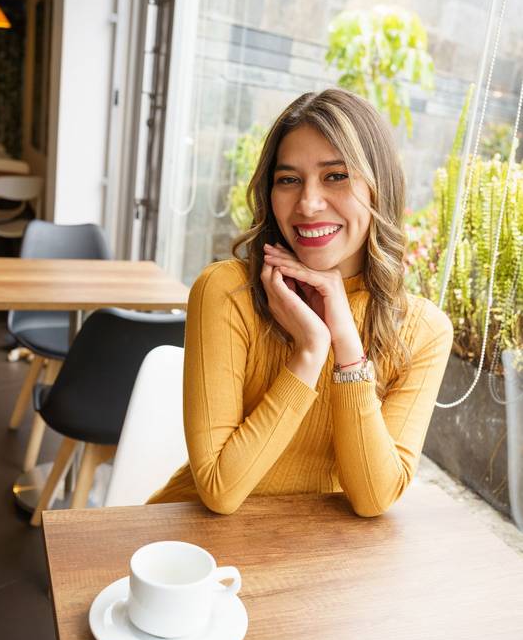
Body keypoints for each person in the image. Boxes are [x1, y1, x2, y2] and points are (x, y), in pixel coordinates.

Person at [149, 88, 453, 516]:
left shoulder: (423, 330)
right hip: (187, 558)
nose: (308, 204)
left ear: (378, 188)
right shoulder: (227, 291)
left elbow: (373, 498)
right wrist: (310, 350)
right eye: (288, 180)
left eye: (336, 175)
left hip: (308, 560)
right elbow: (220, 490)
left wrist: (346, 348)